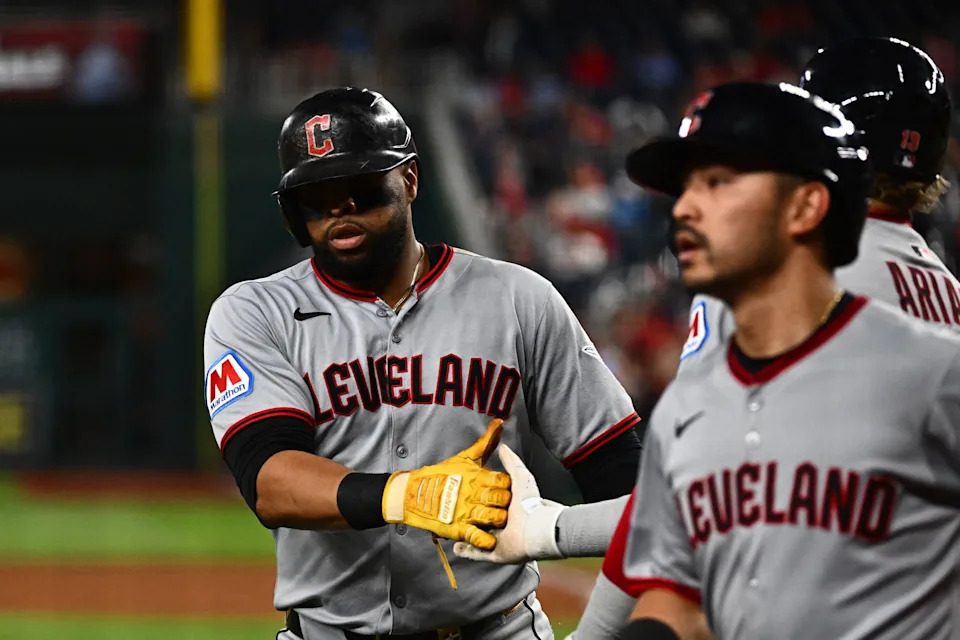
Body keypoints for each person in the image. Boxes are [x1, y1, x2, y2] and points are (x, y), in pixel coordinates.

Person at [202, 87, 642, 640]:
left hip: (496, 628)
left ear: (408, 181)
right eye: (318, 195)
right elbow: (271, 480)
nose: (340, 208)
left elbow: (623, 480)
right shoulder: (255, 312)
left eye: (360, 186)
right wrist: (406, 494)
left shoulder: (518, 298)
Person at [573, 37, 958, 639]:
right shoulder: (943, 287)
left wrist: (552, 538)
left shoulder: (781, 279)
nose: (688, 209)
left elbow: (684, 504)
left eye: (722, 181)